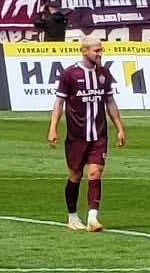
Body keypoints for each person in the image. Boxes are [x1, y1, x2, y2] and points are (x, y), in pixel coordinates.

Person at [48, 34, 126, 233]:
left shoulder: (104, 74)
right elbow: (59, 102)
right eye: (96, 50)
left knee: (95, 172)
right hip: (76, 136)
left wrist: (119, 128)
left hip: (99, 134)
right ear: (84, 51)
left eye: (101, 50)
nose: (100, 54)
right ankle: (72, 216)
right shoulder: (70, 75)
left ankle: (93, 217)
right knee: (75, 175)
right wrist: (53, 128)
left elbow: (109, 101)